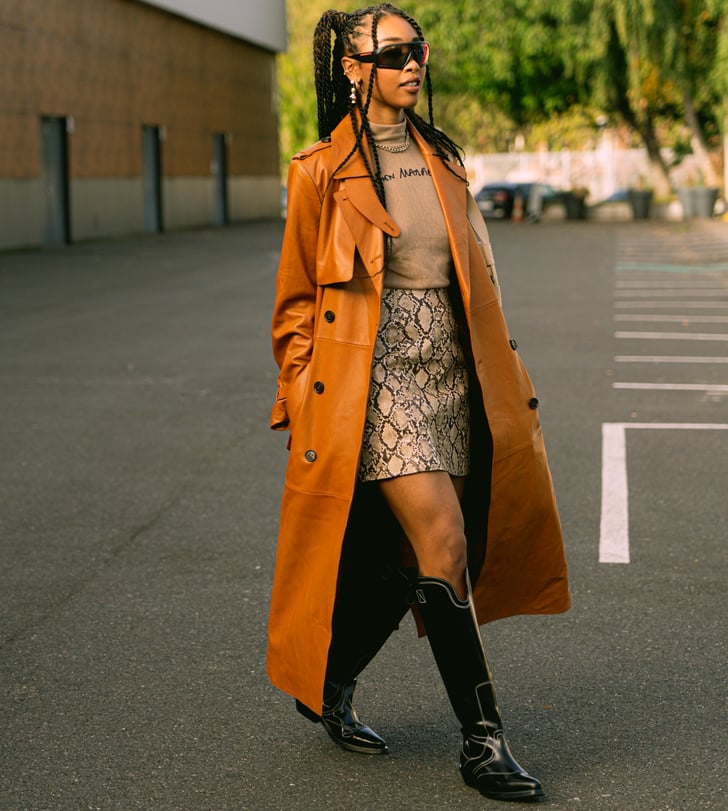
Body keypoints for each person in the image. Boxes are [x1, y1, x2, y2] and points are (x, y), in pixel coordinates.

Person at [267, 3, 570, 803]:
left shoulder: (444, 158)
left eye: (418, 48)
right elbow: (296, 303)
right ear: (352, 69)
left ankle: (327, 683)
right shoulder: (318, 172)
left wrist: (505, 372)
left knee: (415, 557)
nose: (413, 63)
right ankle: (484, 739)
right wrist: (308, 398)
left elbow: (478, 278)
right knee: (442, 541)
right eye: (393, 52)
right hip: (375, 377)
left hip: (453, 369)